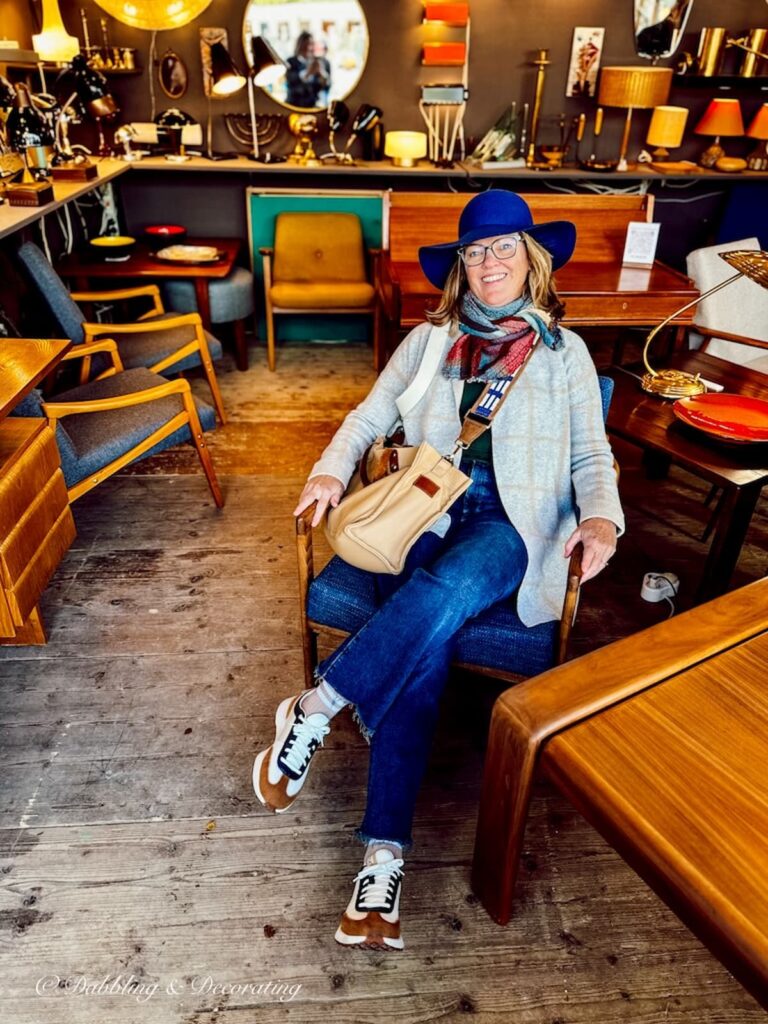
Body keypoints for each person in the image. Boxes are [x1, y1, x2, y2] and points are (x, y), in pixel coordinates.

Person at [252, 189, 624, 952]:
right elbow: (368, 414)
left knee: (448, 590)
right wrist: (330, 470)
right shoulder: (430, 340)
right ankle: (382, 856)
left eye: (505, 248)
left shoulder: (566, 354)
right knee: (421, 656)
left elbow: (593, 454)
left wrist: (600, 517)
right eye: (476, 250)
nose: (491, 262)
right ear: (462, 264)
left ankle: (320, 706)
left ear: (532, 258)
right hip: (423, 506)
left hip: (513, 523)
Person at [285, 32, 331, 109]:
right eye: (305, 45)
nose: (308, 48)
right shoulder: (290, 62)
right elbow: (292, 81)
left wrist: (321, 73)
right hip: (293, 107)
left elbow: (326, 87)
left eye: (311, 44)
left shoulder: (322, 62)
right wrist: (308, 73)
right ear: (299, 46)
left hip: (313, 107)